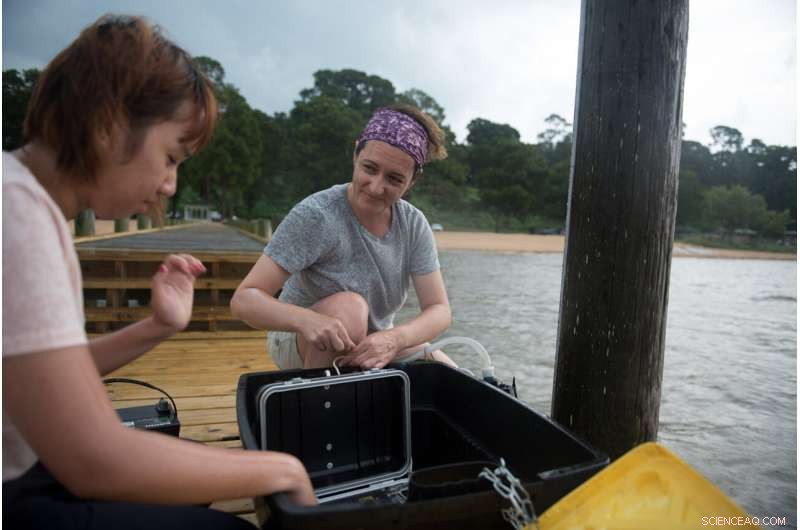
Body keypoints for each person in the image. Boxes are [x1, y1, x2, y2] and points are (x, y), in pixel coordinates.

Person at [2, 15, 315, 530]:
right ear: (109, 125)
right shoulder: (17, 214)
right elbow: (92, 462)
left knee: (192, 479)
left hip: (28, 460)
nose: (170, 185)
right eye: (171, 157)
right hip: (14, 492)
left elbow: (45, 378)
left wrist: (159, 326)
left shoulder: (25, 200)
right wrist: (280, 467)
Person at [231, 105, 455, 370]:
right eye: (369, 168)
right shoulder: (317, 215)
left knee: (454, 376)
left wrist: (395, 338)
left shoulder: (413, 224)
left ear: (412, 181)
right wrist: (306, 320)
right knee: (349, 309)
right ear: (355, 155)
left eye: (394, 179)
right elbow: (245, 300)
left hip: (374, 338)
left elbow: (439, 310)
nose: (376, 186)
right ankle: (318, 403)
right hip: (299, 337)